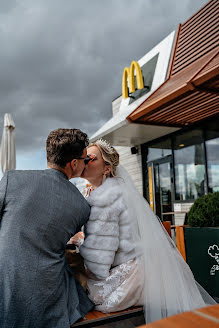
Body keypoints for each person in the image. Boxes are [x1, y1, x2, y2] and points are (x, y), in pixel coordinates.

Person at [76, 139, 216, 323]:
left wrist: (78, 246)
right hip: (136, 266)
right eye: (83, 158)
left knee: (77, 285)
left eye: (91, 158)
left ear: (106, 169)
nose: (84, 162)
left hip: (132, 276)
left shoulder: (109, 198)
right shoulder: (105, 191)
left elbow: (101, 258)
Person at [0, 128, 94, 328]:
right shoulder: (81, 206)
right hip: (46, 294)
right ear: (74, 163)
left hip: (4, 281)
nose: (87, 163)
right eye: (86, 160)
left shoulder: (11, 179)